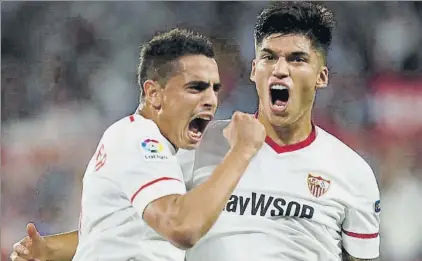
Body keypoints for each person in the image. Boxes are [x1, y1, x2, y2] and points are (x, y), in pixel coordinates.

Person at [11, 2, 381, 261]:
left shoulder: (352, 173)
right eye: (269, 57)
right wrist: (51, 250)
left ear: (322, 77)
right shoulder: (196, 148)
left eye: (297, 59)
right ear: (254, 70)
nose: (280, 69)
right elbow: (133, 231)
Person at [9, 28, 266, 261]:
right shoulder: (141, 140)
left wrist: (50, 249)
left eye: (214, 88)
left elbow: (119, 232)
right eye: (196, 88)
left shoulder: (150, 146)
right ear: (154, 93)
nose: (211, 99)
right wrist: (242, 151)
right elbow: (181, 227)